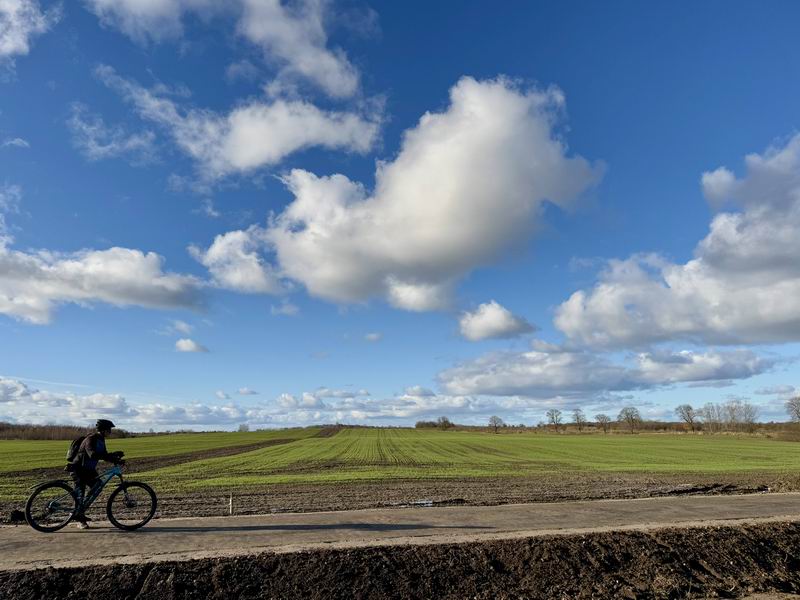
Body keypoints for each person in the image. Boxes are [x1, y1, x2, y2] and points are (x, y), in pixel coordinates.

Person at [69, 419, 124, 529]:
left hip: (89, 470)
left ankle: (79, 512)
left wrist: (115, 458)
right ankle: (78, 517)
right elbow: (92, 454)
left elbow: (104, 455)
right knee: (80, 494)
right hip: (79, 469)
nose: (110, 432)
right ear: (103, 430)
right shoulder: (91, 438)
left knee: (98, 485)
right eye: (109, 430)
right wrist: (109, 456)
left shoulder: (101, 440)